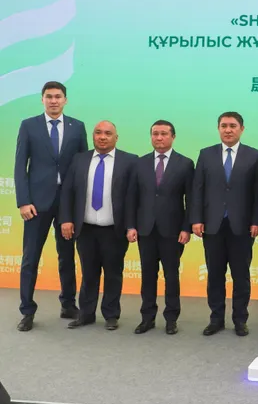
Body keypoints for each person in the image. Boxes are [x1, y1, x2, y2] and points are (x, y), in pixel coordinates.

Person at [14, 81, 87, 331]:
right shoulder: (29, 125)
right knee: (30, 258)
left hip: (67, 203)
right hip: (36, 204)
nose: (53, 101)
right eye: (49, 96)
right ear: (42, 99)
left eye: (58, 96)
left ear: (65, 100)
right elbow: (20, 166)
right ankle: (27, 310)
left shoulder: (77, 127)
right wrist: (24, 201)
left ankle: (68, 304)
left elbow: (83, 167)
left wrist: (79, 204)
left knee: (67, 256)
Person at [59, 121, 137, 330]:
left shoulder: (129, 161)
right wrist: (66, 219)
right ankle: (86, 314)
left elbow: (133, 197)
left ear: (116, 138)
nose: (103, 137)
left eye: (108, 133)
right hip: (86, 229)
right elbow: (67, 191)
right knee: (88, 273)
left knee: (113, 273)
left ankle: (111, 315)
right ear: (93, 136)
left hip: (114, 230)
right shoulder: (79, 159)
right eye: (98, 133)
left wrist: (131, 225)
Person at [191, 112, 258, 337]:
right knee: (215, 275)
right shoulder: (206, 154)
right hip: (212, 225)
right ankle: (216, 319)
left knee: (241, 276)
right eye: (224, 126)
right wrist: (196, 219)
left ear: (242, 129)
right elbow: (197, 190)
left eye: (232, 126)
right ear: (218, 128)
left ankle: (240, 320)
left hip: (242, 226)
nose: (228, 130)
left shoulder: (254, 156)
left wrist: (256, 220)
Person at [125, 120, 194, 335]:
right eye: (155, 133)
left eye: (164, 133)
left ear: (173, 137)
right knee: (148, 275)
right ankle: (147, 317)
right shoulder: (140, 163)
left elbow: (191, 199)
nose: (159, 137)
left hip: (173, 231)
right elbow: (132, 198)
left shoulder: (185, 163)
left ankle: (171, 318)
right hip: (145, 229)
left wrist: (186, 228)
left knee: (171, 275)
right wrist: (131, 226)